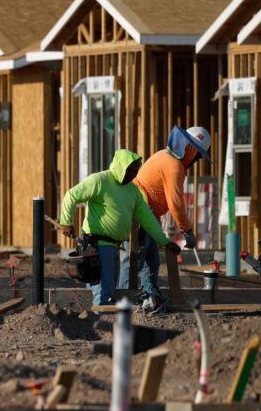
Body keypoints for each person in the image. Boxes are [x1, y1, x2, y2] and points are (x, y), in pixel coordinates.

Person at [59, 148, 180, 306]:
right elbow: (71, 195)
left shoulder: (133, 191)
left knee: (108, 291)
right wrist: (66, 222)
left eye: (135, 171)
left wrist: (164, 241)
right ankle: (99, 325)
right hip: (98, 246)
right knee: (103, 292)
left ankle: (100, 324)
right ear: (120, 166)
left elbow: (148, 219)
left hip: (114, 246)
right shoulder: (100, 181)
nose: (132, 174)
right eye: (129, 170)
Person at [133, 125, 211, 311]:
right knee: (140, 258)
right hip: (141, 213)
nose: (196, 160)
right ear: (189, 148)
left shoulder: (164, 156)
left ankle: (147, 298)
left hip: (143, 211)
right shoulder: (174, 166)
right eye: (198, 155)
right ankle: (140, 300)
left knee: (147, 257)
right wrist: (188, 231)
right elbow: (176, 203)